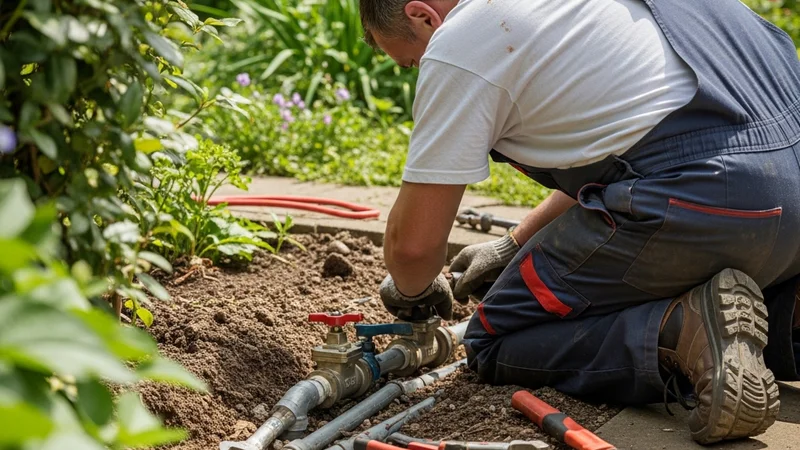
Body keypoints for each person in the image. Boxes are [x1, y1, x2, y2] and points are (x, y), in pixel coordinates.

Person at [362, 0, 800, 444]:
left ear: (423, 15)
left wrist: (412, 291)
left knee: (495, 336)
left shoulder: (465, 37)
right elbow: (632, 141)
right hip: (783, 206)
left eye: (413, 59)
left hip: (710, 200)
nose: (421, 69)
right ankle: (791, 314)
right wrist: (513, 244)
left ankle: (683, 331)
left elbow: (413, 249)